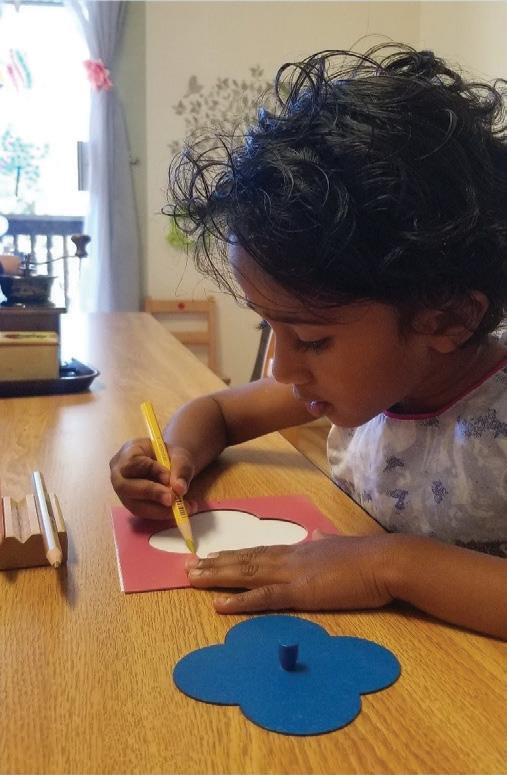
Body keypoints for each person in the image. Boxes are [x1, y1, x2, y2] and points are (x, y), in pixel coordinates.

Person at [110, 43, 507, 639]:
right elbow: (217, 412)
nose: (281, 368)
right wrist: (175, 459)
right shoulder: (366, 382)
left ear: (446, 320)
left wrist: (389, 564)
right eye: (269, 326)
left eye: (313, 340)